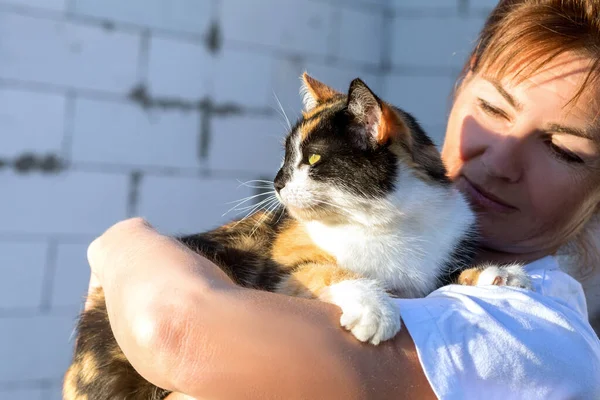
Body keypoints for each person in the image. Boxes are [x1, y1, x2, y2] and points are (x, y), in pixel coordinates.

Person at [84, 0, 600, 398]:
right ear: (462, 79)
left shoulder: (540, 337)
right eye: (492, 107)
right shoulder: (428, 260)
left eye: (563, 149)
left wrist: (121, 245)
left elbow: (174, 328)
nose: (501, 161)